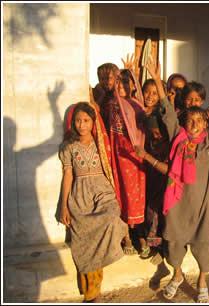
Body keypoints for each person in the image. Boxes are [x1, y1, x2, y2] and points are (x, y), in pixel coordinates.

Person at [145, 55, 209, 303]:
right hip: (178, 203)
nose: (194, 124)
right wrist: (155, 77)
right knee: (174, 243)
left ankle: (202, 280)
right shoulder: (178, 137)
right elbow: (167, 109)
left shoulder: (208, 139)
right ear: (185, 123)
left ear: (206, 123)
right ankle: (178, 274)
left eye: (199, 121)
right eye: (191, 120)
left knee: (203, 245)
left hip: (203, 205)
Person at [58, 102, 128, 303]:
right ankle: (92, 292)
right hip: (80, 195)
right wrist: (64, 206)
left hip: (102, 192)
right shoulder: (69, 147)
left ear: (93, 122)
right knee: (84, 239)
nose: (81, 125)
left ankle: (94, 290)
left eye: (86, 120)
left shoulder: (102, 144)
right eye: (78, 121)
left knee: (111, 217)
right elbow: (68, 176)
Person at [102, 68, 147, 256]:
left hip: (135, 157)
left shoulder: (136, 104)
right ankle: (127, 235)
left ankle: (139, 233)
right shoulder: (111, 104)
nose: (122, 86)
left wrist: (135, 73)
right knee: (121, 193)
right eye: (119, 82)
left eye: (126, 82)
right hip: (118, 156)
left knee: (136, 195)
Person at [134, 112, 170, 259]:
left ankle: (161, 246)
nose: (155, 135)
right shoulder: (151, 142)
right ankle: (154, 244)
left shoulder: (169, 145)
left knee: (158, 213)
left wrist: (147, 157)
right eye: (152, 132)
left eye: (157, 132)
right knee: (151, 212)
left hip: (165, 184)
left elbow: (167, 169)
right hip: (153, 182)